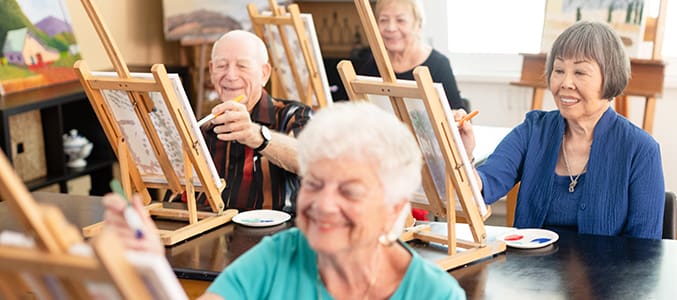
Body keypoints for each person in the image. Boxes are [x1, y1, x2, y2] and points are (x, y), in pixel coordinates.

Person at [103, 102, 466, 299]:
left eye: (348, 191)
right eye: (314, 183)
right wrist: (151, 271)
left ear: (393, 210)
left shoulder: (434, 294)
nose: (322, 204)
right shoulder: (279, 256)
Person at [456, 21, 665, 240]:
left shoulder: (641, 150)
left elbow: (646, 251)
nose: (565, 83)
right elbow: (482, 187)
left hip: (607, 274)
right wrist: (464, 153)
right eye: (558, 70)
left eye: (580, 72)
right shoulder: (533, 130)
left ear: (609, 77)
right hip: (530, 271)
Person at [195, 30, 312, 213]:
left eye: (242, 66)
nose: (231, 76)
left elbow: (310, 159)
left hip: (275, 234)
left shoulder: (294, 114)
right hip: (210, 233)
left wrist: (254, 134)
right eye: (221, 66)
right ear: (211, 71)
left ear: (264, 74)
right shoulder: (203, 127)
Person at [339, 0, 469, 112]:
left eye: (400, 20)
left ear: (418, 25)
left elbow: (456, 114)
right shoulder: (369, 62)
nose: (391, 28)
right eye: (383, 20)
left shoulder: (439, 65)